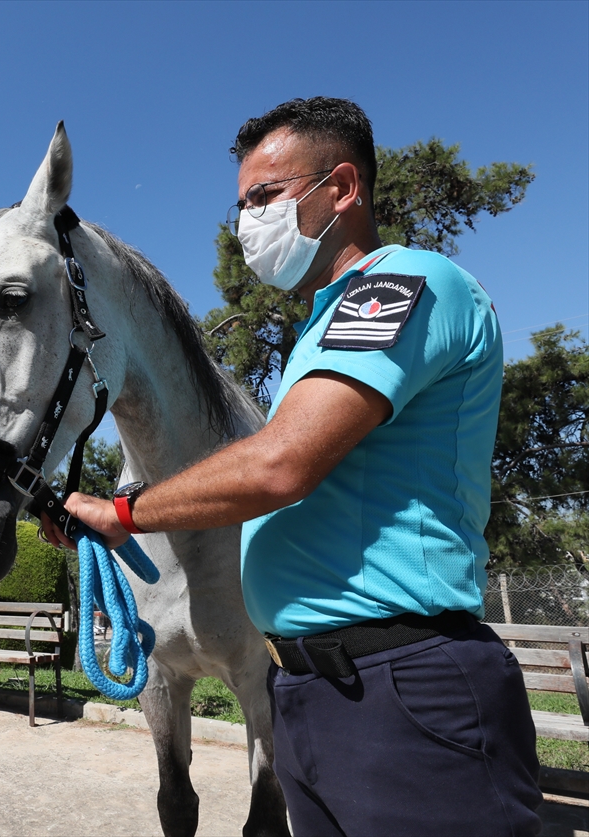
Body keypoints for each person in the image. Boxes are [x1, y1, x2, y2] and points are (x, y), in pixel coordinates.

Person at [46, 98, 541, 836]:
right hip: (319, 690)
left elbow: (282, 465)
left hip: (399, 683)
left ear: (341, 189)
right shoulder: (324, 325)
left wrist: (122, 513)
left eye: (263, 197)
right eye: (240, 203)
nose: (245, 221)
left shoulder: (398, 285)